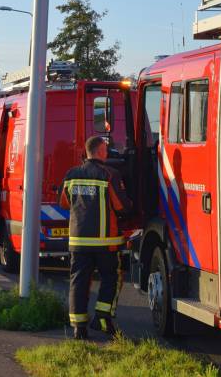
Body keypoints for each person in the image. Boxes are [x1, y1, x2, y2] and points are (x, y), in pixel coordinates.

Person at [59, 135, 131, 340]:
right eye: (105, 149)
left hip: (78, 242)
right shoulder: (110, 174)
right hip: (105, 242)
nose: (107, 153)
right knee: (111, 278)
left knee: (78, 282)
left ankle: (78, 328)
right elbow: (121, 206)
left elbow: (64, 203)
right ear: (100, 151)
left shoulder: (71, 174)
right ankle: (102, 318)